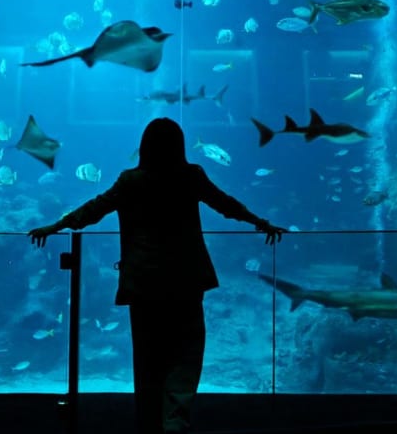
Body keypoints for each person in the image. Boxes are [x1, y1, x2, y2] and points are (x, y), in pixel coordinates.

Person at [29, 117, 285, 434]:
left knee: (148, 356)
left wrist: (55, 226)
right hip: (186, 280)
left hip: (144, 284)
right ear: (179, 146)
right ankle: (175, 419)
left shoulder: (131, 181)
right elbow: (225, 204)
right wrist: (260, 222)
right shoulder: (190, 176)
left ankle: (148, 424)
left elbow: (94, 209)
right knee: (187, 351)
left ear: (145, 147)